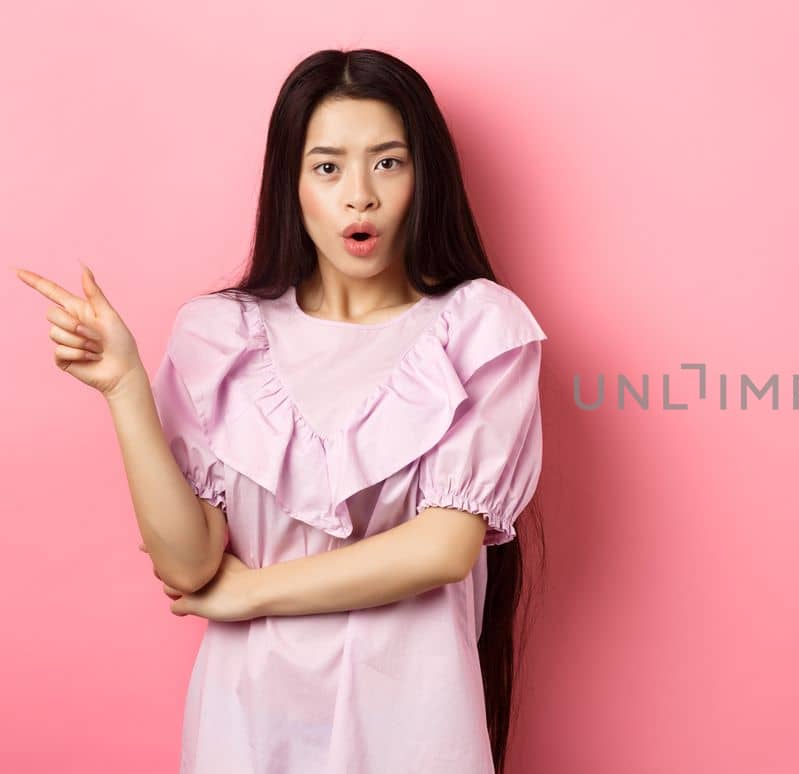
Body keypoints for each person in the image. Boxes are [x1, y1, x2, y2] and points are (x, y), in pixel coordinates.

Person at [14, 48, 547, 773]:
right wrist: (125, 387)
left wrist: (253, 595)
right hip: (247, 727)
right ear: (291, 186)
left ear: (427, 176)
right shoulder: (220, 335)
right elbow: (189, 561)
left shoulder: (481, 329)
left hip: (413, 728)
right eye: (328, 167)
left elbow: (442, 548)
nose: (359, 195)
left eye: (388, 162)